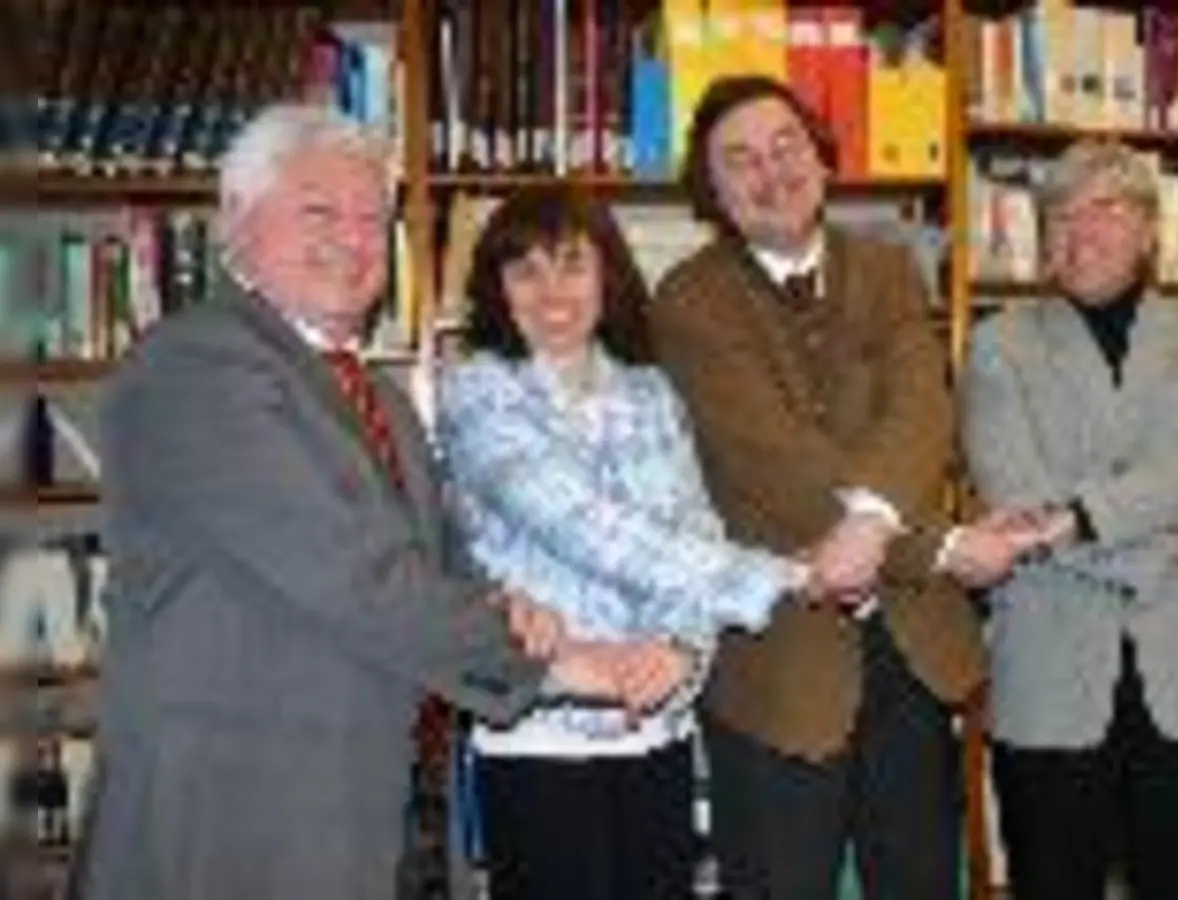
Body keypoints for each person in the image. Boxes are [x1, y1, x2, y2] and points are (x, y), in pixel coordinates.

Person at [78, 103, 635, 900]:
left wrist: (510, 605)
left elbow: (439, 562)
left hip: (378, 817)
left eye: (374, 219)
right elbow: (354, 576)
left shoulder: (382, 396)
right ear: (236, 222)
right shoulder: (195, 367)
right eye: (319, 212)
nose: (352, 239)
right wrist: (557, 660)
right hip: (235, 831)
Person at [647, 74, 1046, 900]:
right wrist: (939, 546)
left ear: (823, 158)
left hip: (911, 656)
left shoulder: (889, 266)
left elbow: (922, 407)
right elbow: (773, 459)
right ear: (711, 192)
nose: (772, 171)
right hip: (777, 669)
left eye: (786, 145)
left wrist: (868, 527)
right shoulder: (689, 299)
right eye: (740, 160)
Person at [434, 186, 859, 900]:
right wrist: (788, 576)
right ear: (496, 289)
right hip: (540, 734)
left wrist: (682, 649)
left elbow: (694, 534)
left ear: (609, 275)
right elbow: (589, 529)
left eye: (572, 264)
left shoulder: (652, 393)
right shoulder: (475, 391)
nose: (552, 292)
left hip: (655, 735)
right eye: (525, 272)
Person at [961, 140, 1178, 900]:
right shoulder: (997, 345)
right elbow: (1016, 495)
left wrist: (1080, 518)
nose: (1080, 229)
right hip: (1050, 682)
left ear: (1151, 232)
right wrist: (1166, 533)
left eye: (1107, 208)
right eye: (1062, 212)